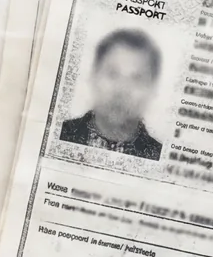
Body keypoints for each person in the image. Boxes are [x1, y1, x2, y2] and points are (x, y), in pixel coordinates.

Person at [60, 27, 164, 159]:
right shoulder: (60, 133)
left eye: (137, 78)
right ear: (94, 76)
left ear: (151, 90)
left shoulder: (158, 156)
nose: (122, 90)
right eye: (113, 74)